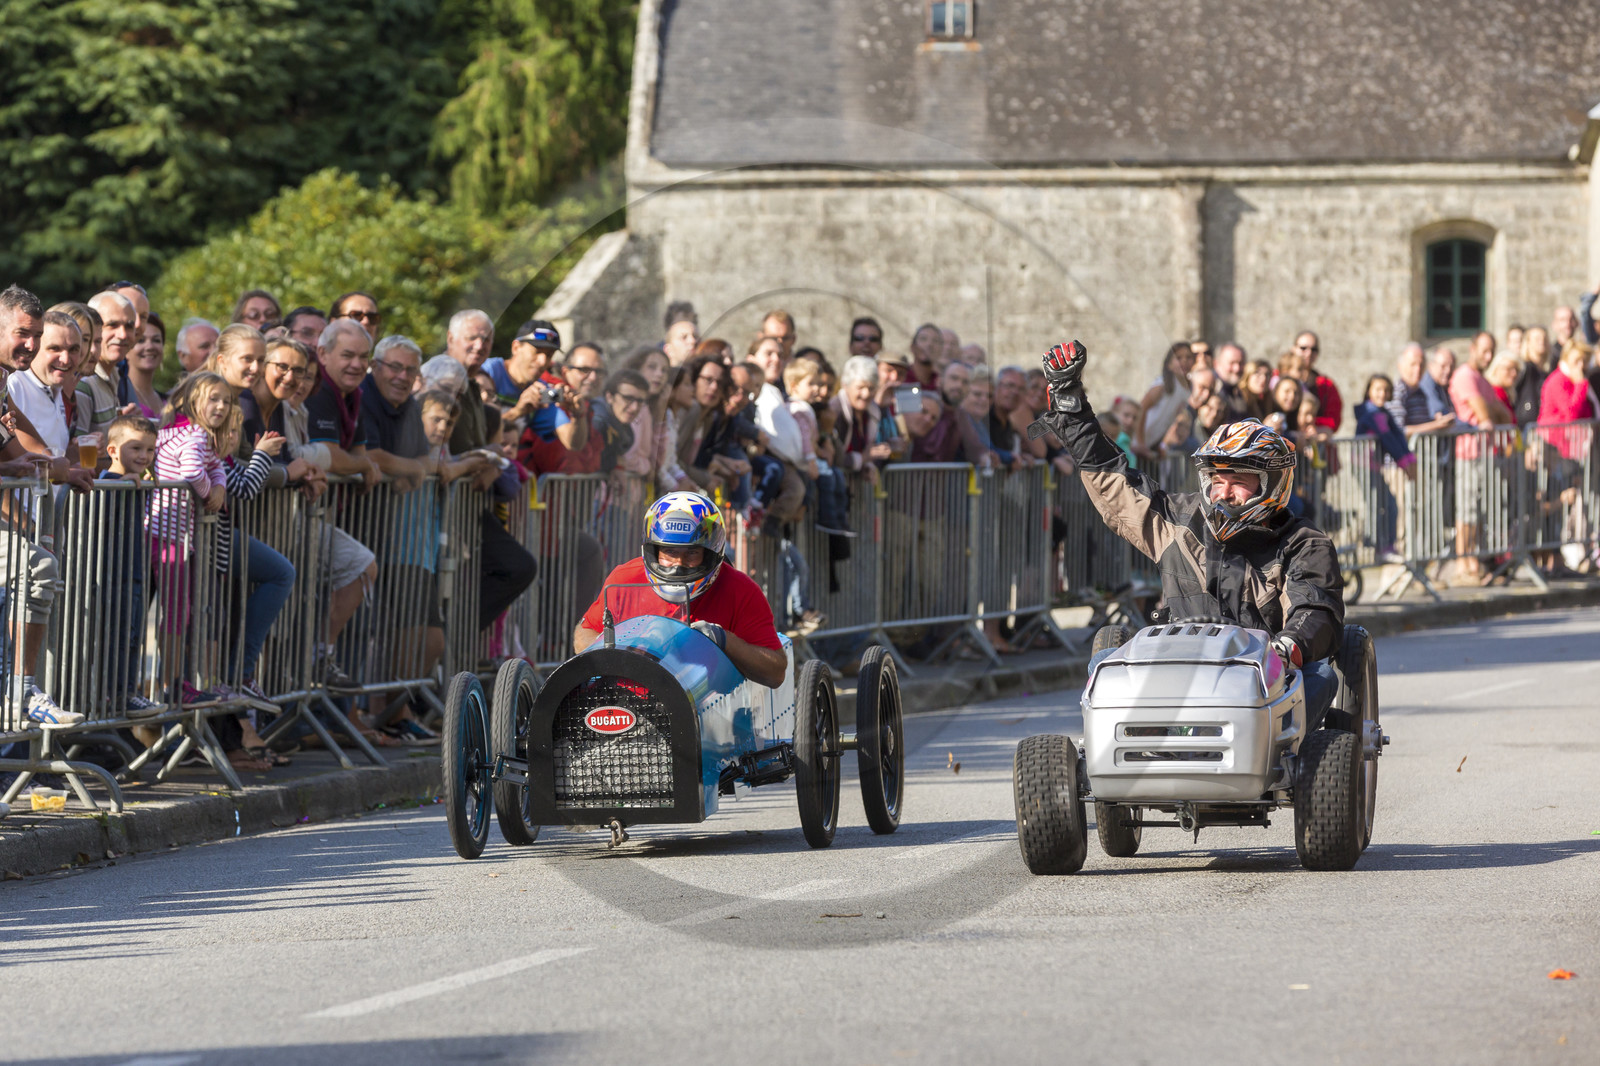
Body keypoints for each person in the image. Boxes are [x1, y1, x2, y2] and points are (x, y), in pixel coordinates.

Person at [1035, 339, 1344, 727]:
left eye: (1239, 480)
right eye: (1217, 479)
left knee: (1320, 677)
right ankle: (1120, 753)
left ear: (1273, 483)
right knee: (1105, 664)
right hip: (1179, 664)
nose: (1223, 491)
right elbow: (1113, 480)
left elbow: (1316, 609)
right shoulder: (1179, 519)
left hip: (1259, 681)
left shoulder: (1304, 543)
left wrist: (1288, 648)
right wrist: (1071, 404)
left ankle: (1280, 758)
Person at [572, 492, 786, 688]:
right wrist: (614, 650)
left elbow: (776, 672)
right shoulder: (624, 578)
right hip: (632, 700)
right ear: (653, 550)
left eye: (691, 553)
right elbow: (584, 632)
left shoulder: (740, 589)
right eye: (669, 552)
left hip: (709, 703)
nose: (678, 564)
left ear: (710, 552)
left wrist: (722, 640)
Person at [99, 415, 162, 718]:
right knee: (118, 638)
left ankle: (128, 693)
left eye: (149, 450)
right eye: (136, 448)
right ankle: (115, 695)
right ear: (112, 450)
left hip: (134, 573)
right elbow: (99, 520)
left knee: (134, 635)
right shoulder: (107, 482)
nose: (144, 456)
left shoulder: (137, 481)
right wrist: (123, 484)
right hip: (113, 577)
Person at [1133, 342, 1194, 460]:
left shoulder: (1187, 390)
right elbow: (1141, 409)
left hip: (1149, 444)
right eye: (1179, 358)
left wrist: (1159, 445)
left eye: (1188, 357)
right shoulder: (1162, 384)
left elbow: (1168, 420)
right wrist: (1140, 442)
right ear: (1169, 364)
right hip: (1136, 444)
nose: (1184, 361)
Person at [1294, 331, 1343, 432]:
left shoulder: (1326, 385)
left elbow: (1334, 420)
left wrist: (1311, 422)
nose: (1309, 353)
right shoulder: (1277, 378)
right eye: (1303, 348)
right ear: (1293, 349)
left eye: (1314, 349)